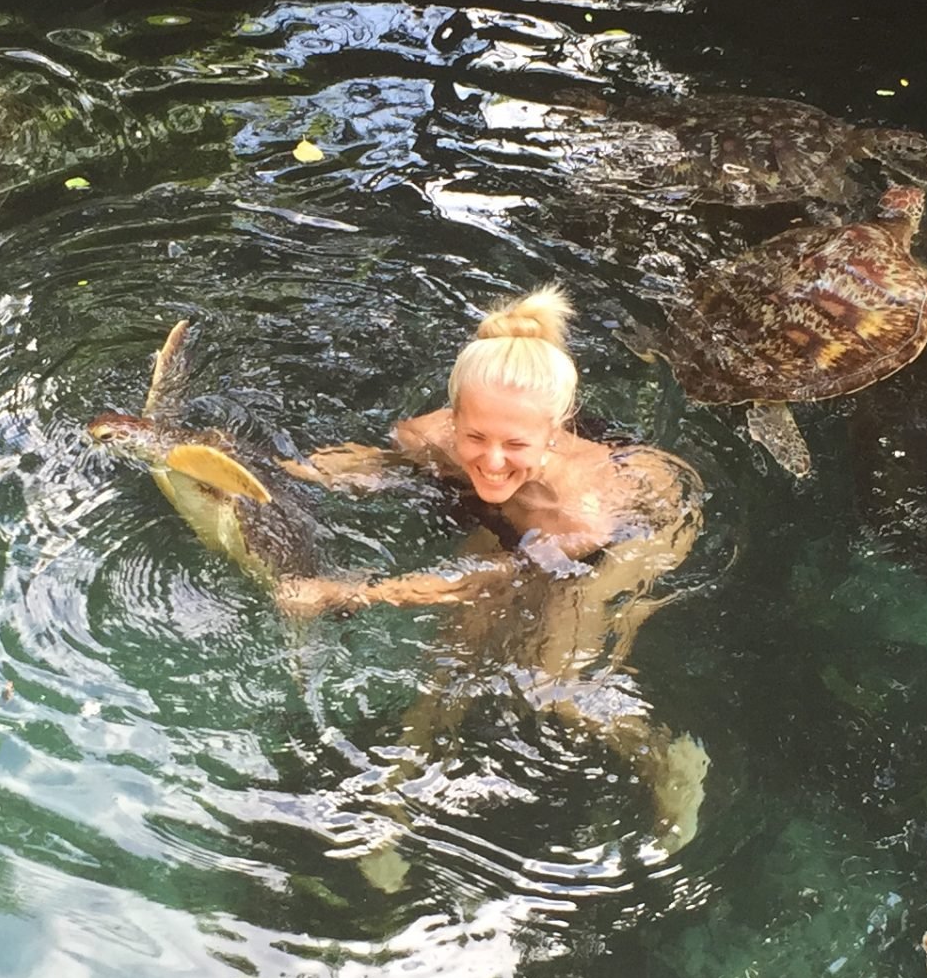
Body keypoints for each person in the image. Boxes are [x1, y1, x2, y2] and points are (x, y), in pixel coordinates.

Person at [274, 285, 710, 859]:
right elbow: (385, 465)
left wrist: (349, 593)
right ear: (452, 417)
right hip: (520, 525)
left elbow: (484, 578)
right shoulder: (431, 434)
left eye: (515, 443)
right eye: (474, 436)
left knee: (555, 685)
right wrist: (275, 469)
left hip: (628, 533)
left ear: (555, 433)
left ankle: (667, 763)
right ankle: (393, 799)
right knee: (444, 667)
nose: (491, 458)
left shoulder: (576, 511)